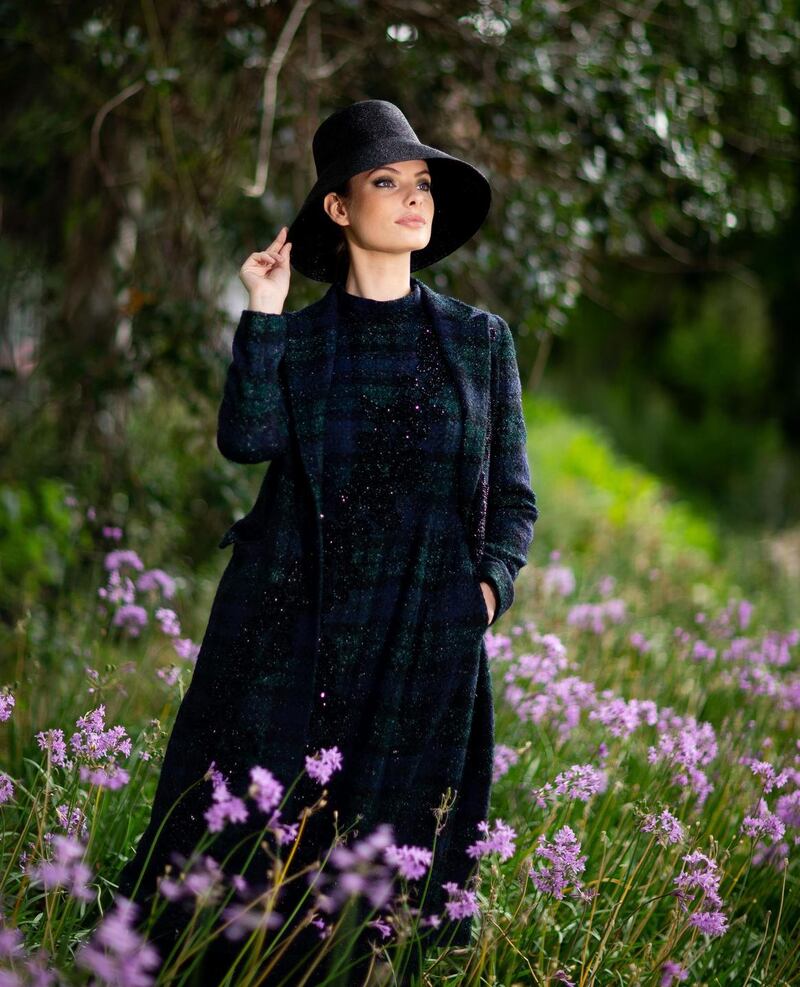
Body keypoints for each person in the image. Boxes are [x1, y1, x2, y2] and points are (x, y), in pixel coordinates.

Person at [115, 99, 539, 985]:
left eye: (421, 184)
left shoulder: (479, 341)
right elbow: (248, 438)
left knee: (381, 872)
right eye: (386, 181)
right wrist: (263, 309)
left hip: (422, 633)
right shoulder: (299, 342)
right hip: (291, 627)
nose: (413, 198)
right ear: (339, 209)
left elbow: (514, 502)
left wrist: (484, 595)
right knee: (253, 845)